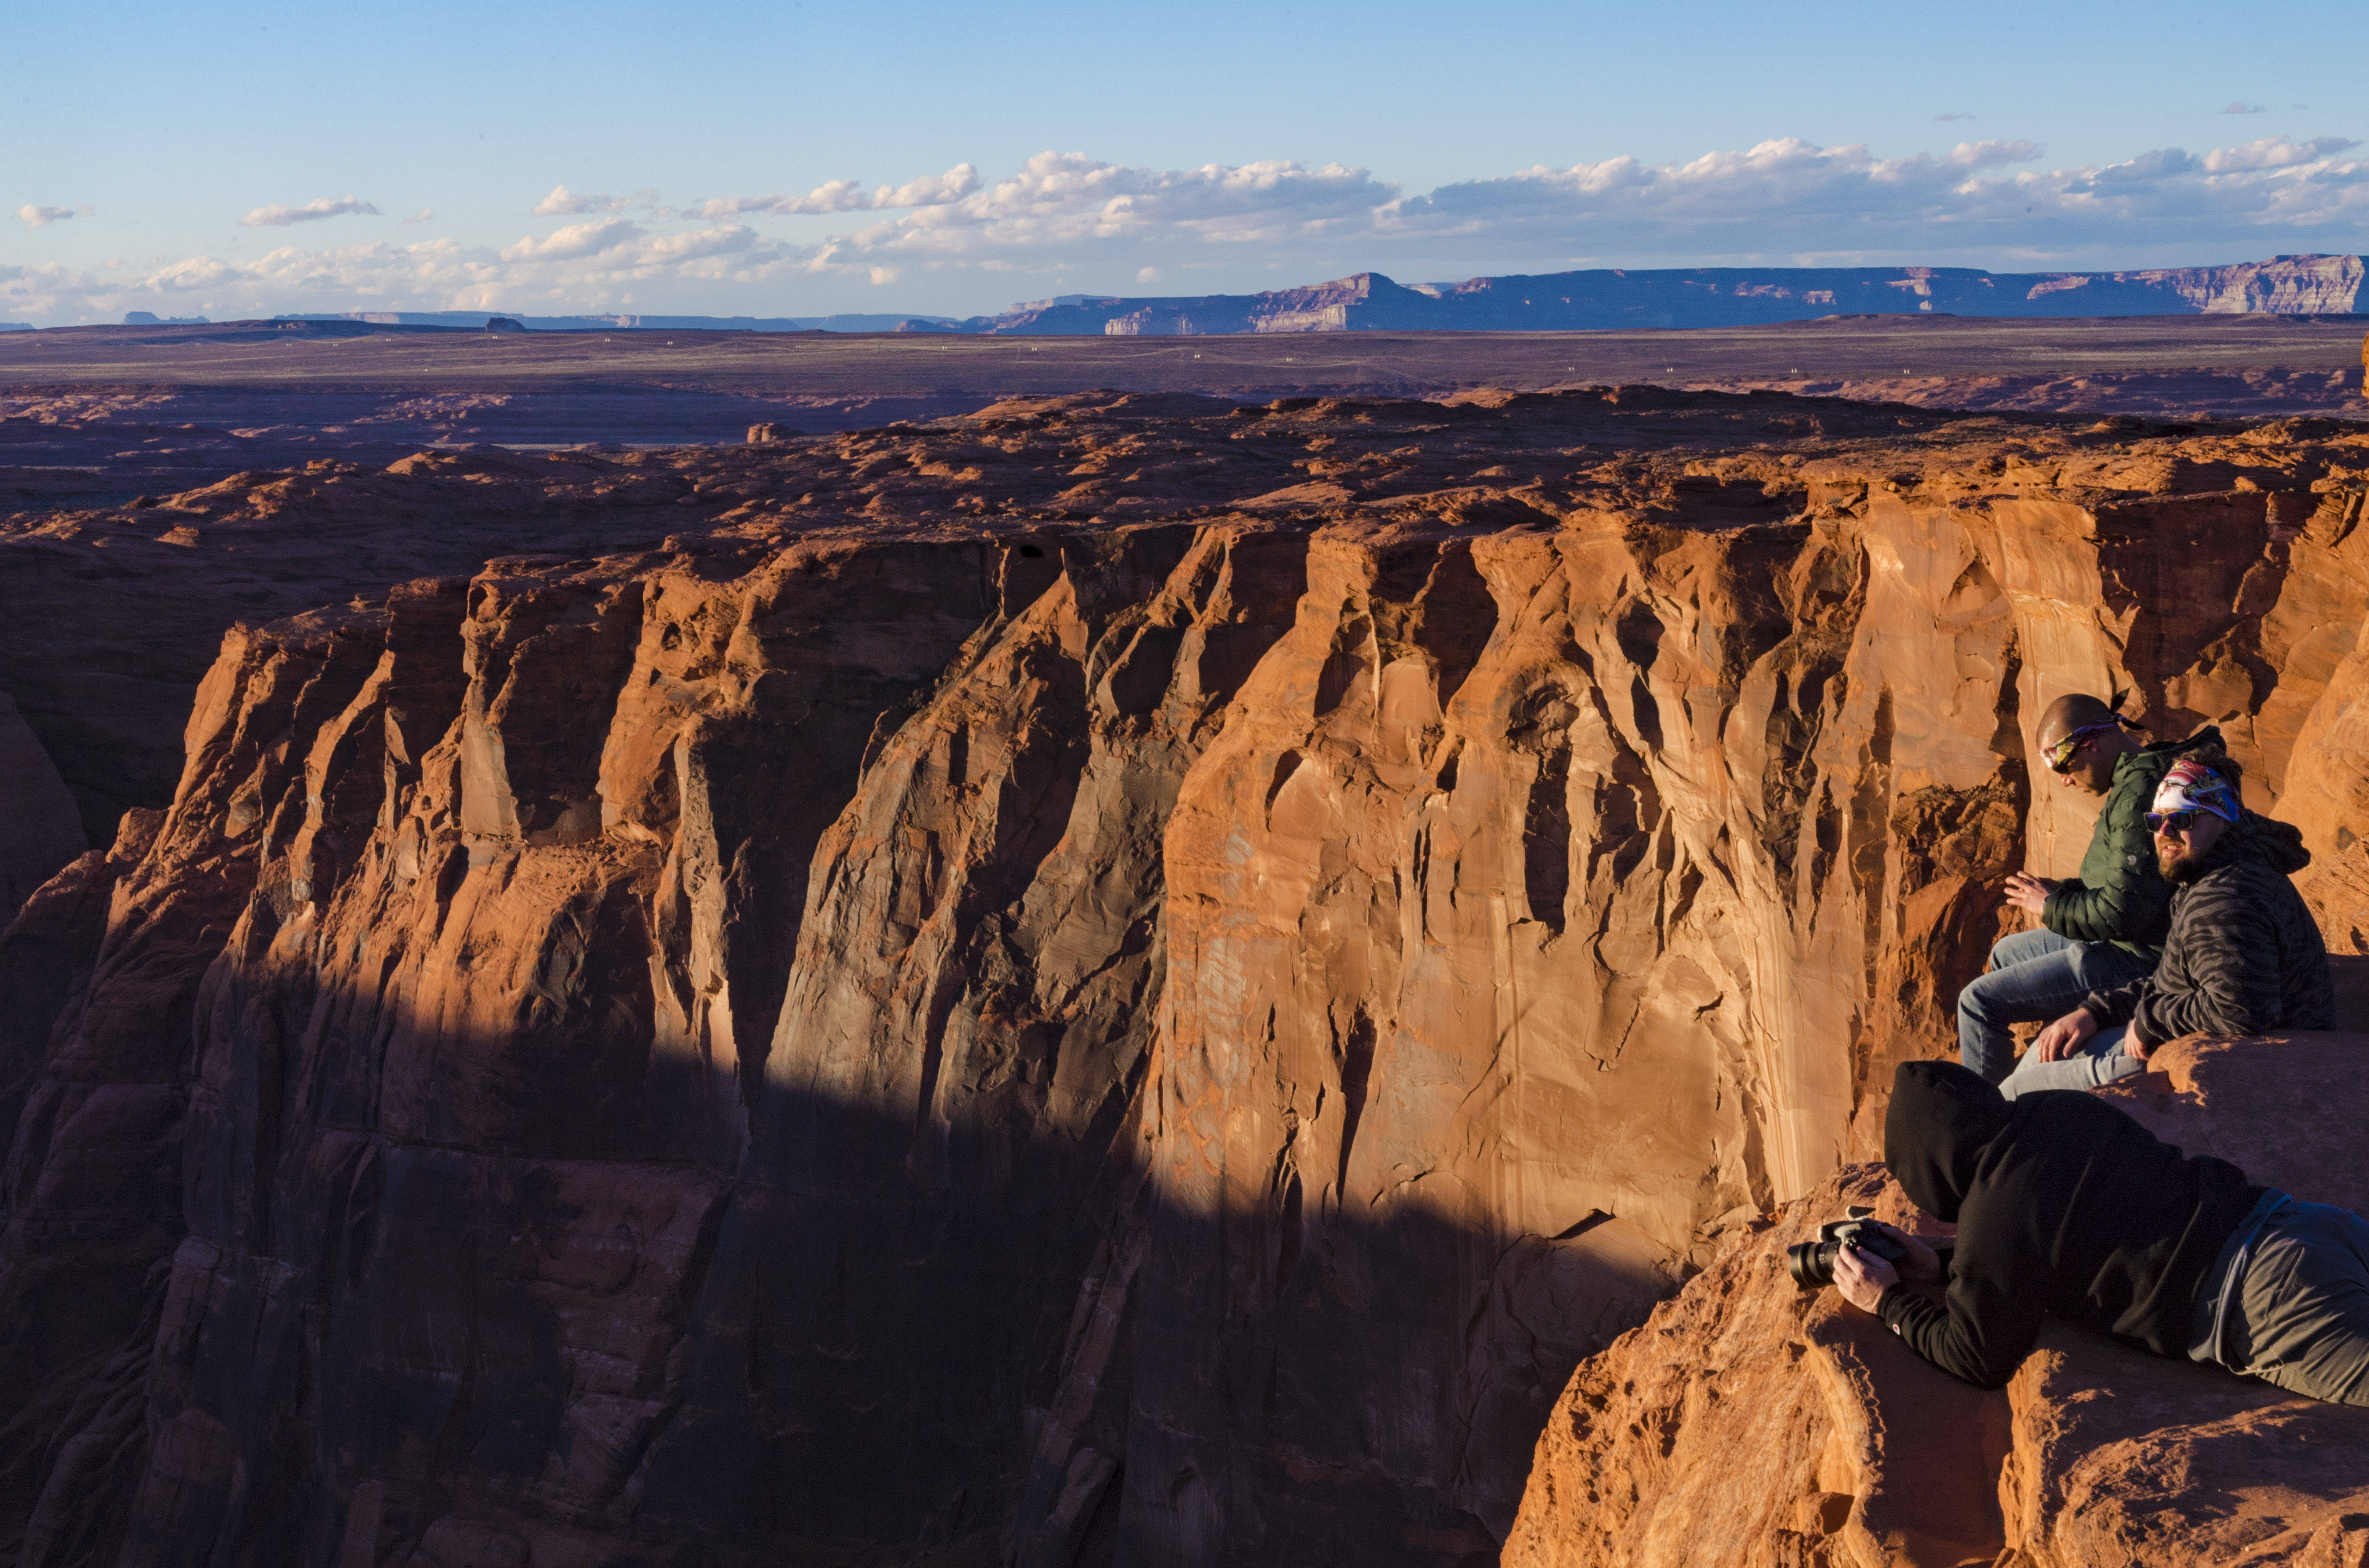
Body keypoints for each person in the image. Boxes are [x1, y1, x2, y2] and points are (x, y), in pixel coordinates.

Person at [1829, 1062, 2369, 1404]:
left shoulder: (1997, 1212)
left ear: (1932, 1168)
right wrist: (1940, 1262)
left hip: (2271, 1302)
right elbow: (2065, 1236)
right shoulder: (2059, 1107)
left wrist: (1889, 1302)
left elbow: (1977, 1356)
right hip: (2301, 1223)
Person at [1997, 757, 2334, 1098]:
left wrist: (2150, 1021)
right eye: (2156, 819)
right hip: (2200, 1034)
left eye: (2182, 819)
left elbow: (2239, 1011)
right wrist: (2097, 1012)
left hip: (2245, 1065)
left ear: (2223, 817)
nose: (2164, 832)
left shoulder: (2224, 899)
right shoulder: (2217, 871)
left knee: (2016, 1091)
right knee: (2043, 1053)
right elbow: (2178, 979)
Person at [1956, 696, 2222, 1085]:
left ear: (2091, 744)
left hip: (2135, 956)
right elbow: (2129, 882)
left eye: (2065, 765)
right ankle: (2046, 1050)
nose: (2065, 779)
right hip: (2128, 939)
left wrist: (2051, 905)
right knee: (2005, 952)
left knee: (1977, 1003)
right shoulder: (2134, 778)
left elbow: (2124, 911)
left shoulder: (2138, 795)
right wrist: (2062, 893)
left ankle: (1983, 1117)